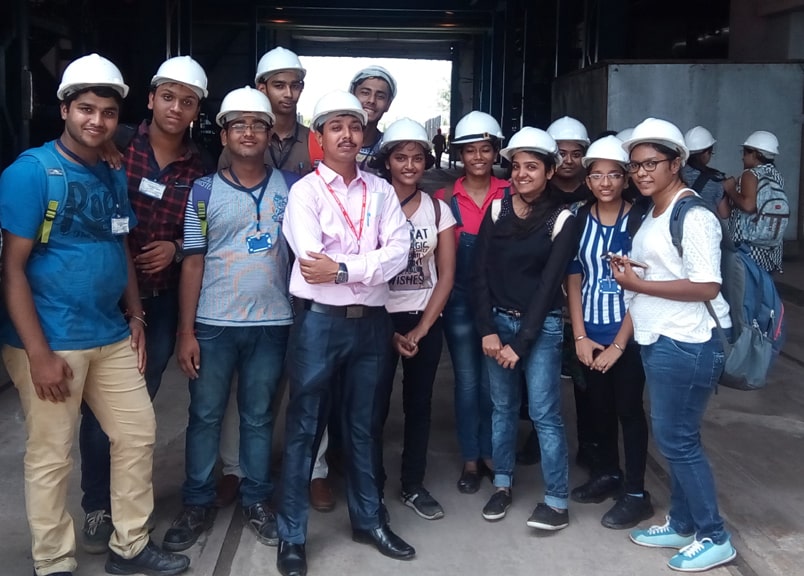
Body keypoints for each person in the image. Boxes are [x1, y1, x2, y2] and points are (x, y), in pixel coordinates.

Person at [0, 53, 189, 576]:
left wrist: (136, 315)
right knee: (51, 454)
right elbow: (11, 271)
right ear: (64, 109)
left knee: (137, 435)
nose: (96, 121)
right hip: (51, 338)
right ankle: (53, 561)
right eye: (86, 109)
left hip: (109, 332)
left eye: (107, 113)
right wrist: (38, 353)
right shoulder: (30, 173)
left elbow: (119, 244)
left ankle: (130, 546)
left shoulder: (110, 170)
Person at [76, 54, 211, 554]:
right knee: (99, 409)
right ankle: (97, 505)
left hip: (161, 300)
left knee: (136, 408)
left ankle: (126, 501)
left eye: (188, 101)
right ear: (151, 99)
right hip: (105, 300)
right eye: (168, 96)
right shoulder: (113, 144)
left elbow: (203, 229)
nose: (176, 108)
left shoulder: (200, 168)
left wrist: (176, 246)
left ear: (196, 110)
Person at [276, 90, 414, 576]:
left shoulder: (381, 191)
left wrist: (344, 269)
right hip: (320, 323)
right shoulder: (305, 193)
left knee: (363, 426)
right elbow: (311, 261)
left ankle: (368, 520)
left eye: (354, 126)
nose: (347, 135)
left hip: (371, 325)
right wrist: (363, 265)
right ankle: (292, 536)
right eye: (336, 126)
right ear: (319, 136)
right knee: (304, 428)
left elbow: (399, 253)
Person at [161, 87, 293, 553]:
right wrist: (186, 331)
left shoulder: (292, 188)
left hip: (273, 323)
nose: (249, 132)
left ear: (270, 134)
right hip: (214, 323)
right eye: (239, 125)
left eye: (258, 125)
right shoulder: (202, 191)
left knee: (258, 416)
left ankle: (256, 498)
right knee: (205, 415)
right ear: (223, 135)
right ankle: (197, 501)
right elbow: (193, 260)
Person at [216, 45, 333, 515]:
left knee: (312, 378)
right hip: (254, 280)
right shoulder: (239, 139)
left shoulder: (316, 140)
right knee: (243, 384)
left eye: (295, 85)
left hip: (308, 278)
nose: (288, 93)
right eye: (278, 85)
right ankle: (234, 468)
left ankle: (316, 471)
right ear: (260, 88)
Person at [617, 118, 736, 572]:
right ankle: (684, 524)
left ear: (676, 163)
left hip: (688, 341)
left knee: (678, 441)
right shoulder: (656, 211)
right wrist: (635, 272)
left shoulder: (695, 215)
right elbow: (669, 270)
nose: (642, 172)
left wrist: (639, 286)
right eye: (635, 165)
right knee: (680, 438)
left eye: (652, 163)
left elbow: (706, 286)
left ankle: (715, 536)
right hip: (662, 337)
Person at [473, 127, 577, 530]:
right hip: (497, 324)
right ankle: (502, 485)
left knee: (544, 413)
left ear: (550, 171)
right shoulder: (497, 211)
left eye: (532, 167)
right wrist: (487, 329)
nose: (521, 174)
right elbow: (479, 273)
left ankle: (556, 502)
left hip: (541, 327)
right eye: (516, 166)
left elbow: (550, 286)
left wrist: (520, 342)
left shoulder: (562, 219)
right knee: (501, 408)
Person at [369, 118, 456, 520]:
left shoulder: (438, 210)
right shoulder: (371, 205)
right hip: (378, 319)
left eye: (417, 158)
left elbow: (446, 276)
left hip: (425, 318)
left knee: (419, 405)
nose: (409, 165)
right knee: (372, 406)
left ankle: (413, 484)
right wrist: (389, 331)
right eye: (401, 157)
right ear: (387, 161)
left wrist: (421, 328)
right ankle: (370, 486)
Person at [566, 135, 653, 530]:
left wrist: (619, 343)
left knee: (629, 410)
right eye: (597, 175)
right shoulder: (578, 219)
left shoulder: (641, 221)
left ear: (626, 178)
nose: (605, 183)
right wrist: (580, 336)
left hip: (628, 334)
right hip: (590, 333)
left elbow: (645, 286)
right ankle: (607, 473)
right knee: (597, 409)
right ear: (587, 180)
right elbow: (573, 277)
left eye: (614, 174)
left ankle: (635, 493)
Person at [433, 110, 508, 494]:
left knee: (493, 385)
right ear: (459, 154)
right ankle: (470, 458)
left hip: (501, 299)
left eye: (485, 149)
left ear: (496, 152)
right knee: (466, 382)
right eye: (470, 150)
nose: (478, 157)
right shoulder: (444, 198)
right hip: (459, 300)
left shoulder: (511, 192)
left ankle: (493, 454)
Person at [724, 130, 786, 273]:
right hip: (771, 247)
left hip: (748, 248)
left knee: (746, 284)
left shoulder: (750, 174)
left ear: (755, 154)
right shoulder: (777, 176)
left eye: (745, 153)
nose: (742, 157)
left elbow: (748, 206)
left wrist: (731, 189)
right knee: (765, 283)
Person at [349, 65, 396, 171]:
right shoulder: (329, 140)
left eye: (380, 96)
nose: (371, 100)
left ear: (388, 104)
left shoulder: (390, 148)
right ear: (352, 95)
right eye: (365, 93)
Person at [682, 126, 735, 213]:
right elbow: (724, 213)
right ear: (706, 153)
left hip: (677, 221)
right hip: (705, 221)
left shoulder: (674, 173)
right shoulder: (717, 179)